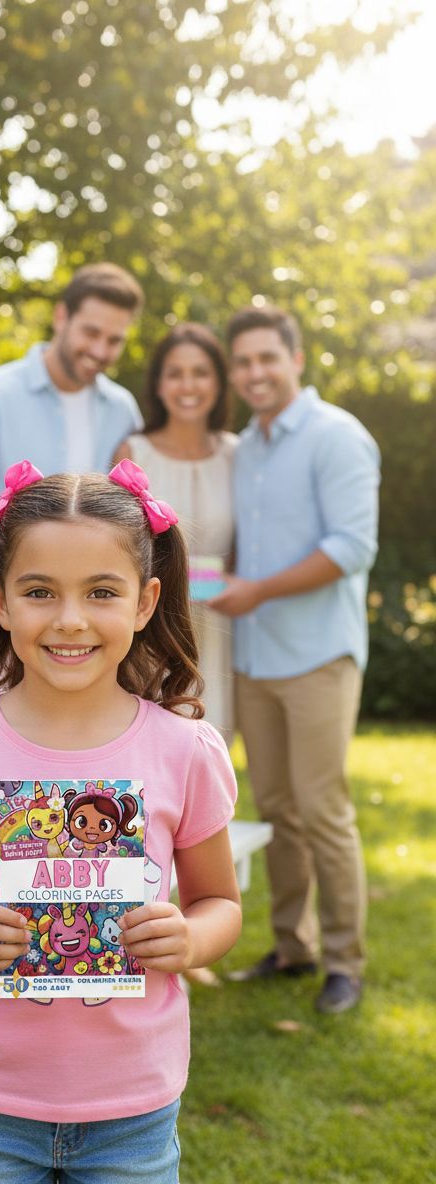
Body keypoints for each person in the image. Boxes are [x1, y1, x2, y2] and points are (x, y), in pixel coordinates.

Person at [0, 460, 242, 1184]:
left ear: (145, 601)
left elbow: (222, 903)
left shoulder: (185, 751)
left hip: (132, 1102)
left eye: (101, 592)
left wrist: (190, 938)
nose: (70, 620)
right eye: (41, 591)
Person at [210, 304, 380, 1015]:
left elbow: (352, 547)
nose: (254, 373)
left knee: (321, 810)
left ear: (296, 360)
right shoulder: (244, 448)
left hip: (317, 657)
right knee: (276, 809)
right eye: (243, 362)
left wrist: (258, 590)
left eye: (266, 359)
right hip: (255, 657)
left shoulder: (337, 436)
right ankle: (292, 947)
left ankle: (345, 963)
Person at [0, 263, 145, 603]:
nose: (100, 351)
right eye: (91, 333)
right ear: (61, 317)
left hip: (91, 615)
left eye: (114, 340)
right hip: (5, 614)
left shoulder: (122, 409)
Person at [114, 323, 237, 740]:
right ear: (158, 384)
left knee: (213, 747)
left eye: (200, 372)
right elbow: (117, 549)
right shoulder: (134, 453)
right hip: (151, 628)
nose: (188, 385)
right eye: (175, 373)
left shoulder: (236, 454)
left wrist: (229, 583)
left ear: (218, 382)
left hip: (219, 628)